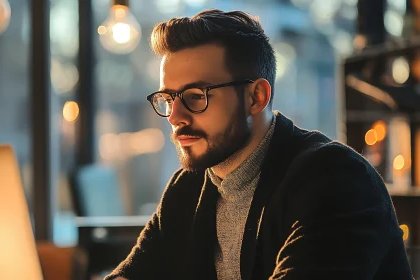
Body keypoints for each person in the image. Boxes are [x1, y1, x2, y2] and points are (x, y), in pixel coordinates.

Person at [104, 9, 413, 280]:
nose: (175, 117)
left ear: (256, 97)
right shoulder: (188, 187)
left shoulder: (337, 179)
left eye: (196, 96)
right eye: (169, 99)